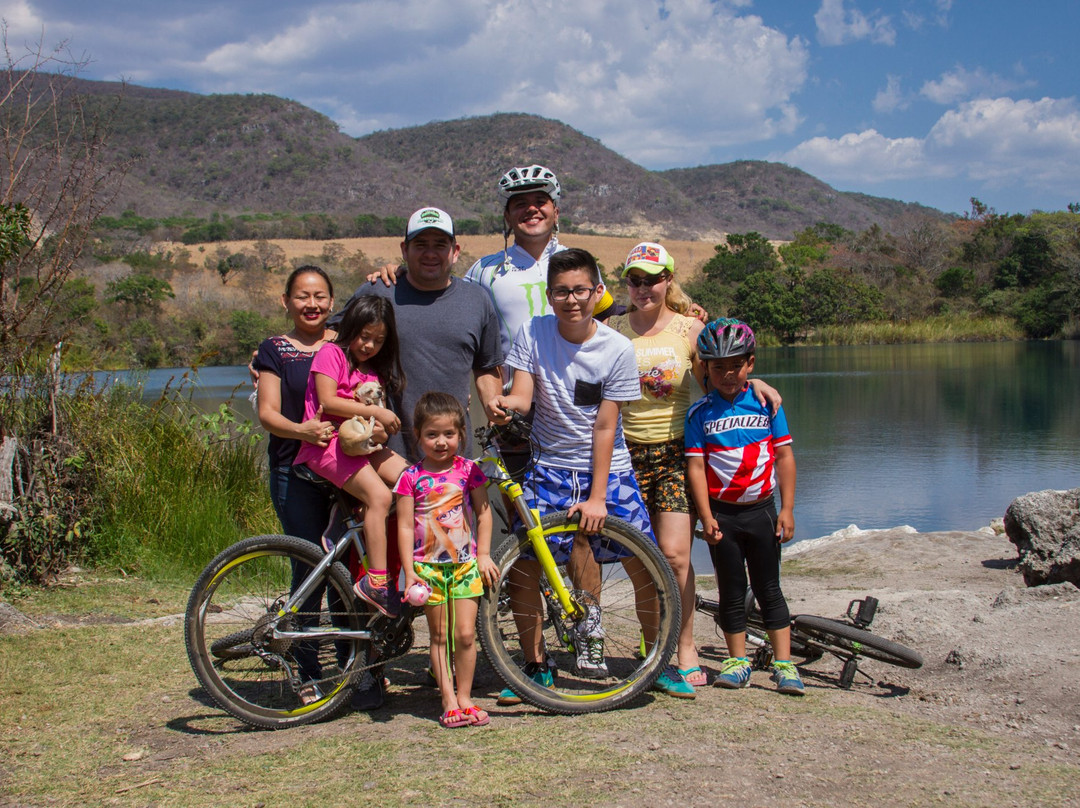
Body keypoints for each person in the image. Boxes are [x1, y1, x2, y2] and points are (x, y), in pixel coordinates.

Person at [489, 247, 695, 700]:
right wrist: (504, 407)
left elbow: (606, 426)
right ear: (550, 296)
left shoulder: (617, 347)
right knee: (525, 567)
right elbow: (524, 396)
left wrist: (599, 497)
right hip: (550, 468)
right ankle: (536, 664)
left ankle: (656, 658)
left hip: (610, 468)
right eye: (561, 292)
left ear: (597, 291)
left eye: (581, 290)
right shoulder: (534, 332)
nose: (572, 300)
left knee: (645, 564)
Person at [607, 242, 708, 688]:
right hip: (624, 455)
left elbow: (719, 382)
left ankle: (685, 645)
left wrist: (756, 381)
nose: (643, 288)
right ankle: (655, 645)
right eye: (635, 280)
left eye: (652, 279)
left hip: (674, 453)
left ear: (668, 279)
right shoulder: (610, 330)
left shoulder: (690, 328)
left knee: (676, 558)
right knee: (637, 559)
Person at [685, 318, 804, 696]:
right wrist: (706, 517)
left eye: (735, 365)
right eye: (717, 366)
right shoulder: (698, 414)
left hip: (763, 511)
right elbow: (697, 467)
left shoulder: (768, 403)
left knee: (770, 588)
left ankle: (785, 665)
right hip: (723, 516)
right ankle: (737, 662)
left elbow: (784, 457)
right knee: (731, 590)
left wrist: (787, 509)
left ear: (750, 364)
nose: (727, 374)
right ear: (705, 368)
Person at [335, 207, 503, 461]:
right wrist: (276, 357)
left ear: (455, 252)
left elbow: (487, 367)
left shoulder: (477, 300)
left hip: (451, 454)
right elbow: (328, 339)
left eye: (440, 245)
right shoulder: (378, 292)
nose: (430, 253)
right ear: (404, 250)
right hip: (383, 452)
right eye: (421, 244)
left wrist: (494, 412)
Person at [252, 265, 339, 702]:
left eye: (320, 296)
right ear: (286, 301)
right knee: (309, 570)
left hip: (344, 471)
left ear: (332, 301)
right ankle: (307, 671)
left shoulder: (343, 344)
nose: (312, 305)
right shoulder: (275, 350)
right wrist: (303, 430)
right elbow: (267, 413)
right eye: (303, 296)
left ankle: (353, 667)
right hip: (293, 470)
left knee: (346, 567)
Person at [294, 295, 410, 617]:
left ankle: (370, 531)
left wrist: (383, 426)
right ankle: (375, 581)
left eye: (379, 340)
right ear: (352, 328)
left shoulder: (372, 373)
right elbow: (329, 402)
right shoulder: (331, 354)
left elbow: (379, 428)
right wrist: (378, 415)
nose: (370, 345)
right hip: (326, 444)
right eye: (365, 336)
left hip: (362, 446)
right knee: (379, 496)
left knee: (414, 481)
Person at [395, 392, 498, 727]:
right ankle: (448, 700)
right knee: (439, 637)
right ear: (418, 435)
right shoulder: (410, 477)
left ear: (461, 434)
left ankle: (466, 697)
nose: (441, 442)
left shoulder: (470, 471)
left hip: (465, 566)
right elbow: (405, 526)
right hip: (427, 569)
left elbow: (484, 514)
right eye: (432, 434)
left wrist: (483, 554)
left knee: (466, 634)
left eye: (449, 434)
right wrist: (410, 573)